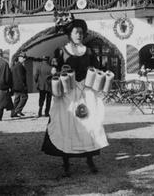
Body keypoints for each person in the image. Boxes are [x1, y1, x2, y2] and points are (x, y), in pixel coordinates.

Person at [41, 17, 108, 177]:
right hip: (67, 92)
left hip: (85, 92)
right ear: (69, 34)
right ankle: (65, 160)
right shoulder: (61, 51)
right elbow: (56, 69)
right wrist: (54, 72)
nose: (79, 35)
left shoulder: (89, 51)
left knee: (89, 122)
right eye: (76, 32)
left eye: (81, 32)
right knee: (66, 124)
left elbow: (96, 69)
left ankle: (90, 158)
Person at [11, 52, 28, 118]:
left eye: (25, 58)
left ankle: (13, 113)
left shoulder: (15, 66)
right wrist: (24, 86)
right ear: (20, 58)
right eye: (24, 58)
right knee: (25, 97)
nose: (24, 59)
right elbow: (21, 77)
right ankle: (17, 110)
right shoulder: (20, 66)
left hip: (15, 86)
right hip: (20, 86)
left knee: (16, 99)